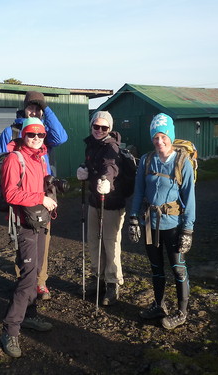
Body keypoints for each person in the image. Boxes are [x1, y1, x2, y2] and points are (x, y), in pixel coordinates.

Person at [0, 91, 68, 300]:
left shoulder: (43, 132)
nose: (34, 111)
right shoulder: (11, 132)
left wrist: (46, 110)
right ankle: (24, 282)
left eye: (38, 108)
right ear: (24, 107)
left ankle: (40, 282)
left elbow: (61, 137)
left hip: (44, 194)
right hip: (21, 194)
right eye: (31, 107)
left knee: (43, 239)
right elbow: (2, 163)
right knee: (23, 240)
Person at [128, 113, 195, 330]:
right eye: (155, 137)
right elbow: (138, 191)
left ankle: (182, 312)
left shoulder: (182, 162)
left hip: (173, 225)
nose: (160, 141)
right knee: (156, 268)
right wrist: (133, 218)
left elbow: (189, 198)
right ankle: (159, 305)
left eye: (163, 136)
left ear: (171, 136)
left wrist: (188, 230)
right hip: (150, 224)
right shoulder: (147, 160)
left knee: (178, 268)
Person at [0, 117, 57, 358]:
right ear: (23, 135)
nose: (35, 139)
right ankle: (10, 330)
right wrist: (40, 199)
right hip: (24, 224)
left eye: (40, 135)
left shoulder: (40, 158)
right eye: (31, 135)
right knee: (27, 278)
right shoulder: (15, 158)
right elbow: (10, 193)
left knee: (35, 273)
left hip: (40, 221)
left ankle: (30, 317)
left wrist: (52, 191)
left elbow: (42, 186)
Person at [76, 111, 126, 306]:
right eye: (96, 126)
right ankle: (98, 278)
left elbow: (111, 167)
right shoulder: (91, 144)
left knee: (110, 243)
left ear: (110, 129)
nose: (99, 130)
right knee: (93, 241)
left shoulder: (112, 146)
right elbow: (93, 166)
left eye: (104, 127)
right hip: (94, 201)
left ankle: (113, 283)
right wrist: (85, 171)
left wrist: (107, 180)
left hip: (111, 203)